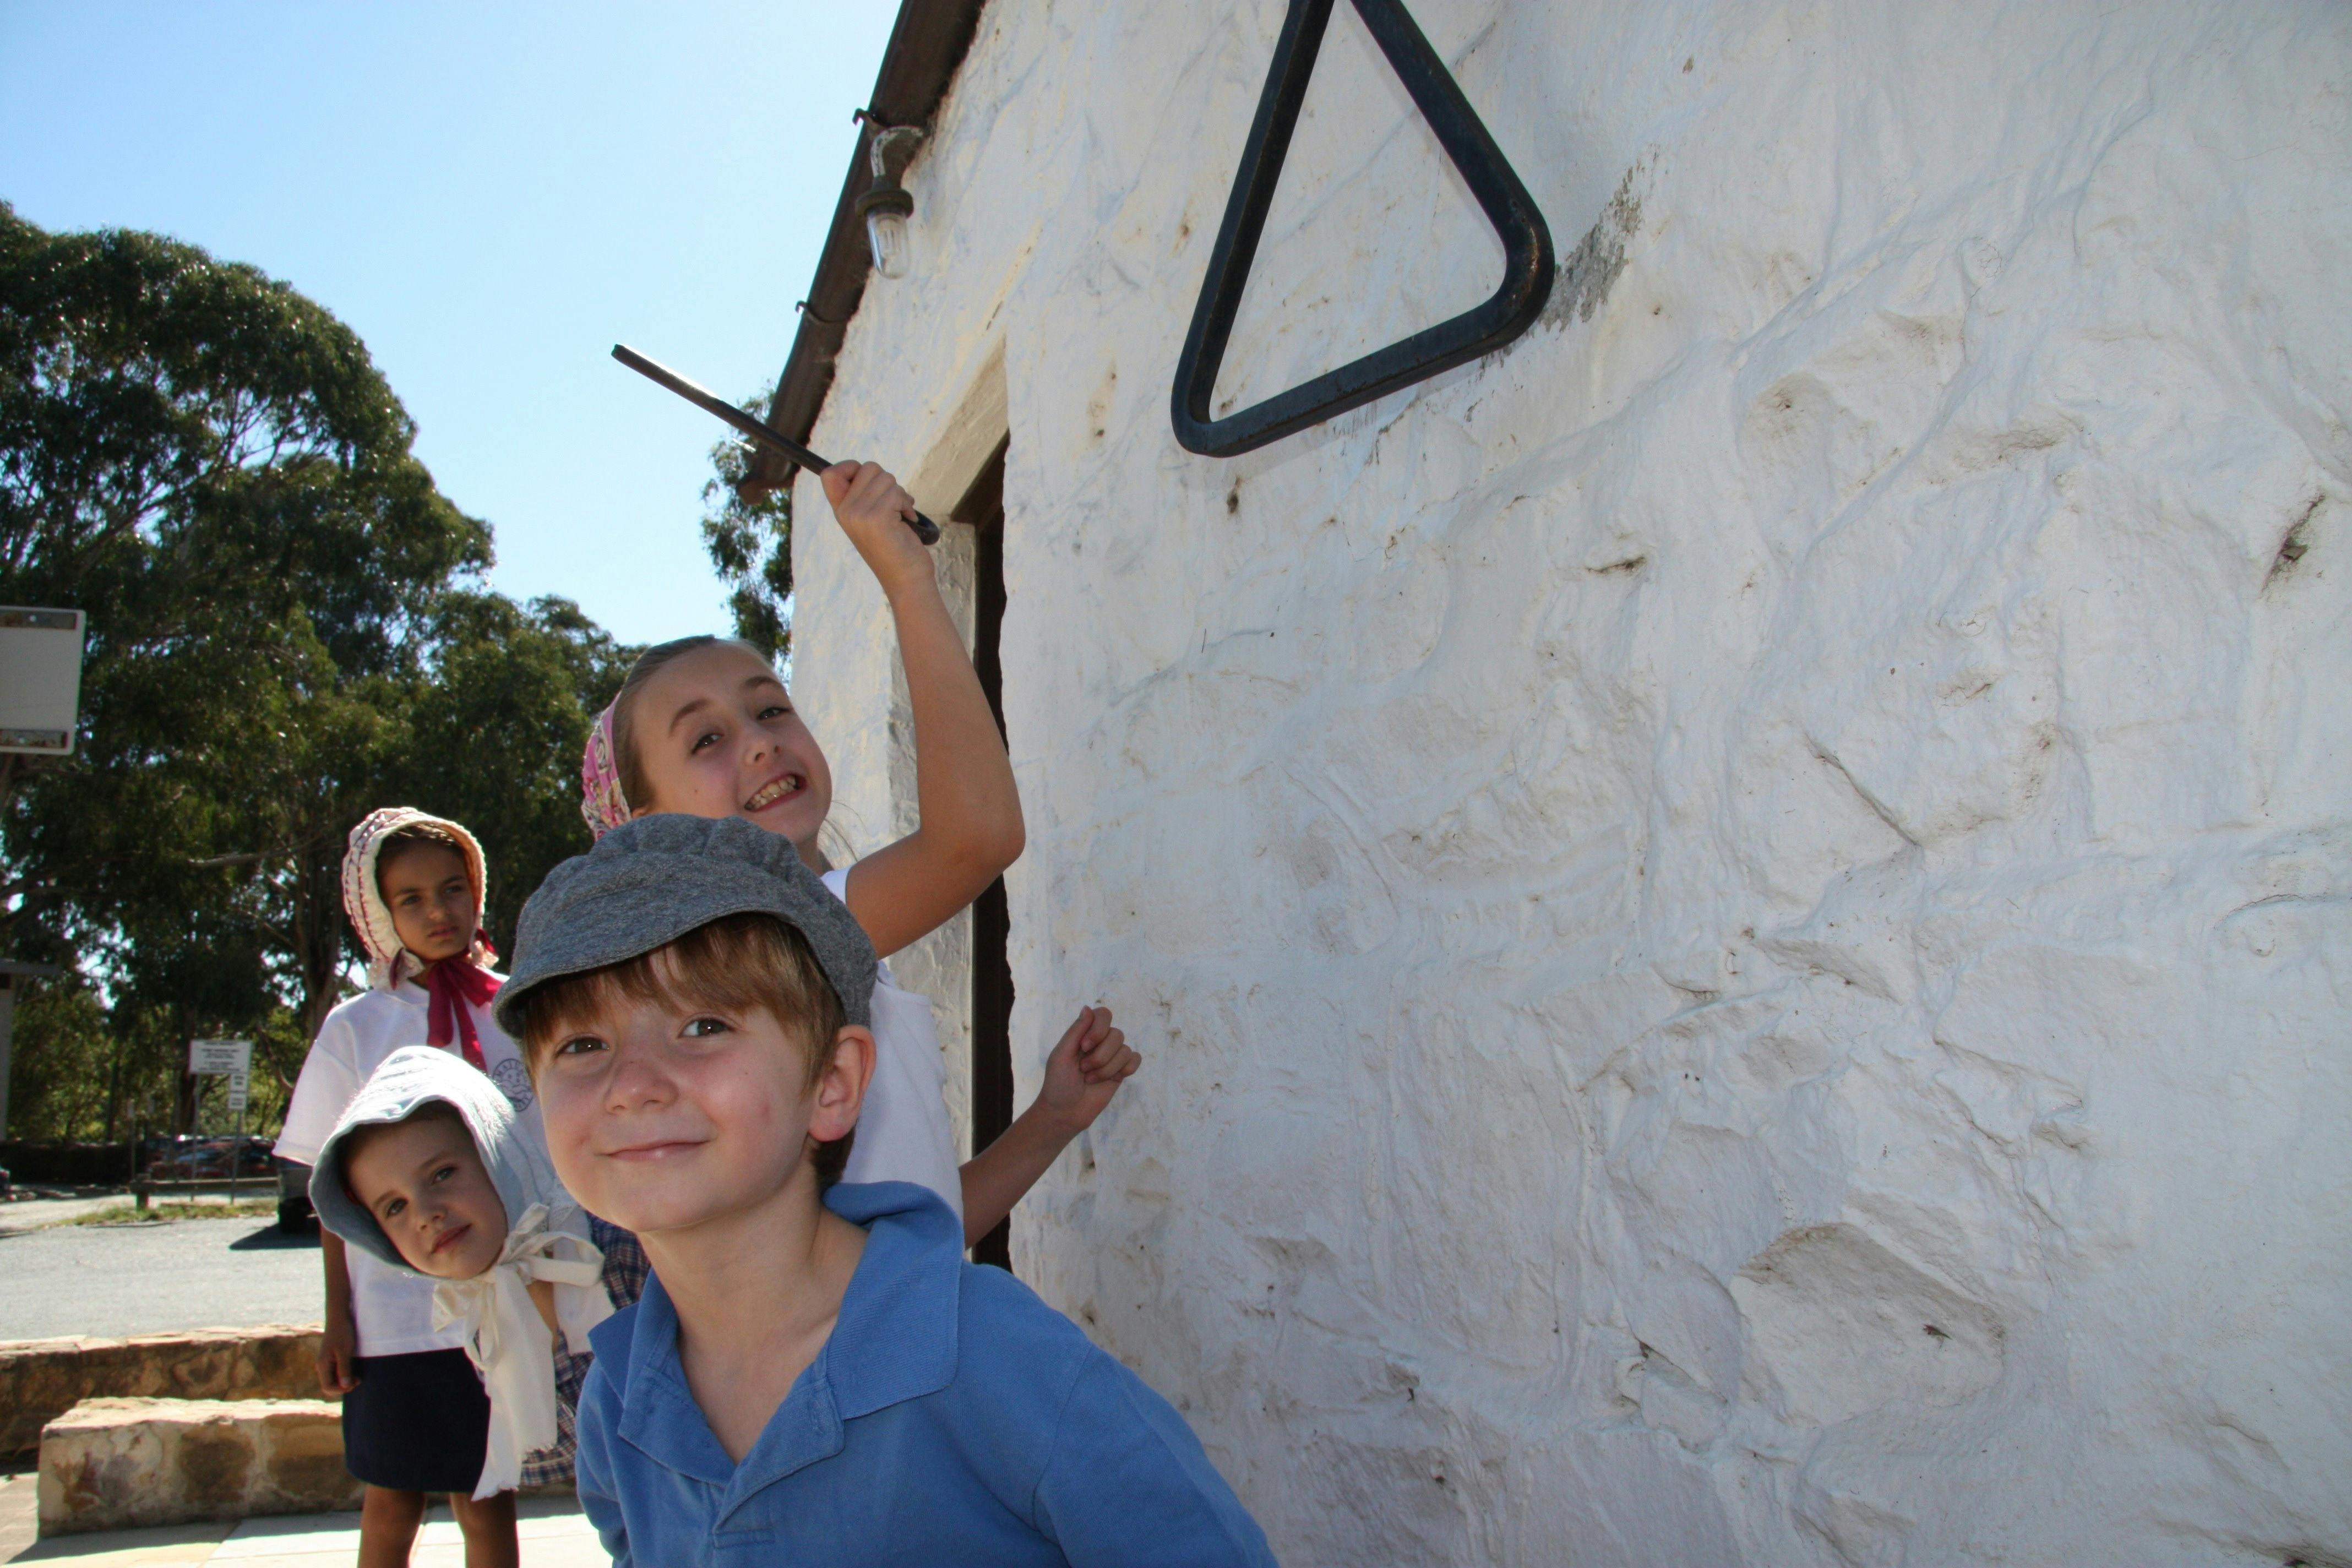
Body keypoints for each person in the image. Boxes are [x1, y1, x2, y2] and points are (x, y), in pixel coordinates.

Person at [495, 814, 1277, 1566]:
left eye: (703, 1027)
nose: (631, 1086)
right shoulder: (620, 1409)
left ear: (833, 1085)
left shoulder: (993, 1355)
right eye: (583, 1044)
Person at [579, 459, 1137, 1254]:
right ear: (646, 827)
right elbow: (976, 837)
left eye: (771, 708)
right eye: (707, 739)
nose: (761, 742)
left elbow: (918, 1236)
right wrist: (909, 581)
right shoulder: (763, 937)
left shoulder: (833, 949)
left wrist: (1051, 1119)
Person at [275, 809, 555, 1568]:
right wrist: (339, 1317)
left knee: (488, 1497)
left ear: (478, 891)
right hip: (393, 1321)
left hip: (498, 1309)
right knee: (391, 1499)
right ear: (380, 912)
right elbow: (332, 1195)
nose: (438, 912)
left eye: (452, 889)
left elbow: (547, 1161)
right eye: (411, 899)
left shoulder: (523, 1009)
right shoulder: (356, 1030)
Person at [308, 1046, 613, 1501]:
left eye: (442, 1174)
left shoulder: (609, 1256)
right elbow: (597, 1477)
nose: (427, 1214)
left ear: (496, 1148)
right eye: (395, 1207)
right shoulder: (481, 1312)